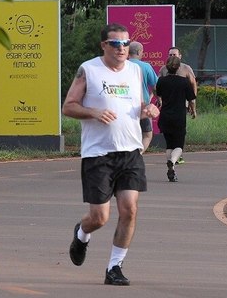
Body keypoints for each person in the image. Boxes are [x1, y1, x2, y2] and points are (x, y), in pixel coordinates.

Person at [62, 23, 160, 286]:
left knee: (129, 210)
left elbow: (134, 107)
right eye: (116, 44)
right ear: (104, 45)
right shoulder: (89, 70)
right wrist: (94, 112)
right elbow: (68, 107)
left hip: (130, 150)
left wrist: (148, 110)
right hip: (98, 154)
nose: (122, 49)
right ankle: (82, 233)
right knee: (100, 218)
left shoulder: (135, 72)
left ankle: (114, 267)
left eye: (126, 44)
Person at [156, 55, 196, 182]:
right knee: (179, 145)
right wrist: (193, 111)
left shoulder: (162, 81)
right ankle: (172, 162)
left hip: (165, 116)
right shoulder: (183, 82)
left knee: (169, 145)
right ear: (179, 67)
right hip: (179, 116)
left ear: (166, 67)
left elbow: (159, 95)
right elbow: (191, 99)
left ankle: (171, 169)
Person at [128, 41, 158, 153]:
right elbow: (155, 86)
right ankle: (138, 154)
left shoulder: (122, 66)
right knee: (147, 134)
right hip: (143, 106)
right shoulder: (146, 66)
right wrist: (158, 98)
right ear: (139, 52)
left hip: (125, 106)